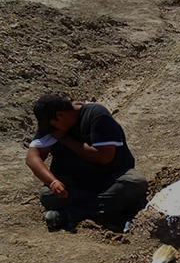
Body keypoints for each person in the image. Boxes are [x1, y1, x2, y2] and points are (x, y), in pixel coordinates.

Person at [25, 94, 148, 231]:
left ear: (59, 116)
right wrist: (52, 182)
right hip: (78, 186)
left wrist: (66, 140)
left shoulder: (97, 115)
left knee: (135, 183)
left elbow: (104, 157)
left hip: (111, 179)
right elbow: (32, 158)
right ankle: (111, 209)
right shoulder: (53, 127)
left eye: (51, 126)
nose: (51, 130)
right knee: (47, 195)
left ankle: (70, 214)